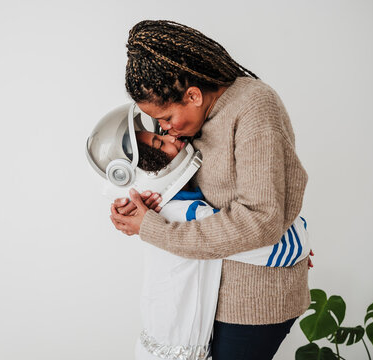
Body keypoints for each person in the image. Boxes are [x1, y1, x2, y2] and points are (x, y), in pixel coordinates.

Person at [110, 20, 313, 360]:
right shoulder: (199, 119)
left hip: (253, 298)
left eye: (165, 117)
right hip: (211, 290)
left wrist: (153, 229)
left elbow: (261, 220)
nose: (164, 128)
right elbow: (205, 197)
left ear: (193, 95)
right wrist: (144, 205)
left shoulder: (253, 107)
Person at [133, 131, 311, 360]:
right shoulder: (189, 214)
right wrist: (301, 235)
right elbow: (274, 246)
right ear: (150, 169)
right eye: (161, 143)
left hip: (153, 344)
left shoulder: (160, 211)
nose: (174, 139)